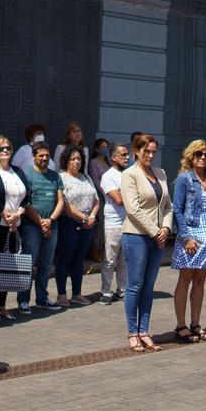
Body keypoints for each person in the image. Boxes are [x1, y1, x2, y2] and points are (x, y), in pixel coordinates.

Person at [120, 134, 171, 353]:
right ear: (136, 151)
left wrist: (166, 229)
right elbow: (133, 209)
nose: (150, 155)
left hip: (157, 237)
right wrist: (154, 232)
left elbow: (168, 205)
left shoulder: (160, 173)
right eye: (146, 151)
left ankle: (144, 331)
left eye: (153, 151)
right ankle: (133, 332)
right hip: (136, 236)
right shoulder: (129, 174)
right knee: (135, 285)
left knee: (149, 287)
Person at [170, 140, 206, 342]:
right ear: (191, 156)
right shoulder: (185, 179)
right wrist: (185, 238)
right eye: (199, 154)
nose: (203, 158)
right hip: (191, 235)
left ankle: (196, 324)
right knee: (185, 279)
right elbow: (177, 209)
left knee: (200, 280)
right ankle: (181, 325)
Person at [0, 135, 28, 321]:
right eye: (1, 148)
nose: (6, 151)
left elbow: (27, 197)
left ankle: (2, 305)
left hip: (16, 225)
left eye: (8, 147)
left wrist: (19, 213)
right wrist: (3, 213)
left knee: (8, 265)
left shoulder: (17, 171)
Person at [17, 142, 64, 313]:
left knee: (46, 264)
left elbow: (60, 201)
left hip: (52, 226)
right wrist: (40, 222)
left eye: (47, 155)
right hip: (32, 226)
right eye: (41, 155)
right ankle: (23, 300)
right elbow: (26, 202)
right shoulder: (26, 175)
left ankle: (42, 298)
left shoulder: (55, 176)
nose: (44, 158)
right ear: (34, 156)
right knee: (28, 264)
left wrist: (50, 220)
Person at [54, 145, 99, 306]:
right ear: (66, 160)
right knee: (64, 258)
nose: (76, 162)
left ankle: (77, 293)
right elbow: (65, 204)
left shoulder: (86, 177)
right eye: (73, 158)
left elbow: (96, 200)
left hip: (88, 225)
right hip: (69, 223)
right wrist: (84, 218)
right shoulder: (61, 177)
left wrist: (92, 216)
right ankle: (61, 294)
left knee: (79, 260)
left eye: (79, 158)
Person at [98, 142, 131, 305]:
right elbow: (118, 200)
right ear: (113, 157)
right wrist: (133, 196)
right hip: (113, 223)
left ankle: (122, 289)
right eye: (123, 155)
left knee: (124, 260)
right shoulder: (108, 176)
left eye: (127, 154)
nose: (127, 157)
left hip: (129, 224)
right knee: (110, 260)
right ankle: (105, 291)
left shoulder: (130, 174)